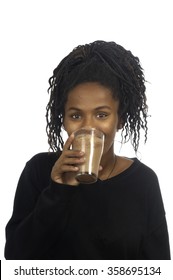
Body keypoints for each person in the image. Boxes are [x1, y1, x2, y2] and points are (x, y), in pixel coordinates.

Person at [5, 40, 170, 260]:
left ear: (119, 120)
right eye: (75, 115)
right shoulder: (39, 171)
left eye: (101, 115)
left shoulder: (143, 181)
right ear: (63, 121)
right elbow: (15, 259)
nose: (88, 126)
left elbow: (158, 269)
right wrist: (57, 191)